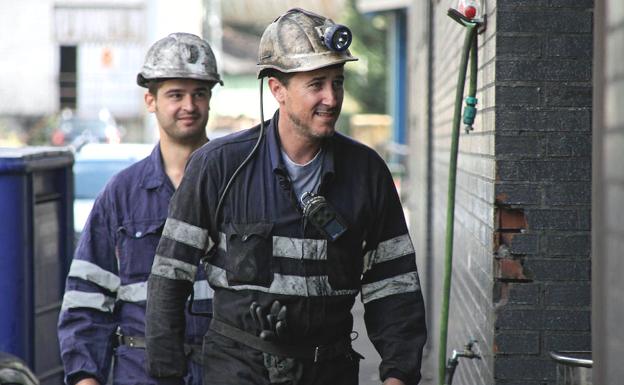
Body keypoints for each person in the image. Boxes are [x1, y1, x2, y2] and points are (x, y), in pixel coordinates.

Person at [145, 8, 427, 385]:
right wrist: (167, 375)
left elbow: (393, 285)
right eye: (316, 84)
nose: (331, 97)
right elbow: (169, 278)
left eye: (337, 82)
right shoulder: (218, 167)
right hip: (238, 371)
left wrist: (398, 375)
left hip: (329, 370)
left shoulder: (366, 173)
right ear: (277, 89)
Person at [57, 32, 223, 385]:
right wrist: (87, 377)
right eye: (175, 95)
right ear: (151, 100)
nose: (189, 106)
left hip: (224, 370)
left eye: (199, 94)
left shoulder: (236, 185)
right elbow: (87, 297)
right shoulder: (122, 194)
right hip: (142, 372)